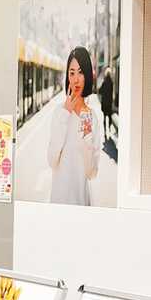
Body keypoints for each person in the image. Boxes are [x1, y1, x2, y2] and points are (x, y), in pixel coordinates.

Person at [48, 47, 102, 205]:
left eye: (80, 72)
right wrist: (65, 114)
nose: (76, 79)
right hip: (59, 202)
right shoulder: (59, 113)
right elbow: (52, 161)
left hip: (81, 203)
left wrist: (87, 137)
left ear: (87, 76)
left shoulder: (91, 117)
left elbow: (91, 173)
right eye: (72, 73)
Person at [98, 67, 115, 140]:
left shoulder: (104, 82)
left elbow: (100, 91)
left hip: (104, 103)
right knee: (110, 116)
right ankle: (110, 129)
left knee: (104, 117)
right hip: (109, 103)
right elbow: (112, 93)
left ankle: (105, 131)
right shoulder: (111, 83)